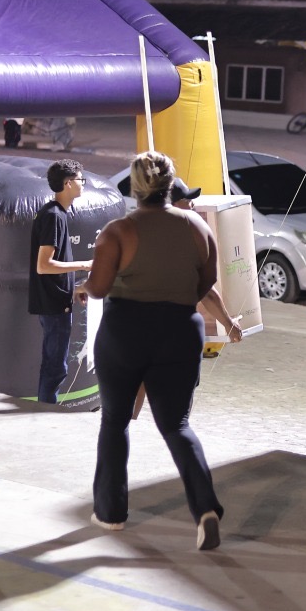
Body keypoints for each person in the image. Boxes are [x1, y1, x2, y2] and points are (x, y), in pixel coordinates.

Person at [82, 151, 227, 550]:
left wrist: (84, 287)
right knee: (177, 424)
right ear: (169, 184)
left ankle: (110, 512)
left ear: (134, 187)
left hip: (126, 330)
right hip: (180, 329)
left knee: (115, 421)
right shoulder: (198, 227)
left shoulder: (118, 231)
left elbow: (98, 288)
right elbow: (206, 282)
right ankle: (205, 509)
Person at [28, 159, 94, 404]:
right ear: (68, 184)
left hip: (57, 300)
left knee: (54, 364)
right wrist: (85, 265)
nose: (83, 183)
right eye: (80, 179)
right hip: (53, 304)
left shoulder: (55, 213)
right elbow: (44, 265)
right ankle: (46, 411)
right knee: (55, 367)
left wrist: (73, 289)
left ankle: (45, 408)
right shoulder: (54, 216)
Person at [171, 177, 247, 342]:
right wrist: (229, 324)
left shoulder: (145, 233)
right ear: (173, 206)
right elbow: (207, 293)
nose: (192, 204)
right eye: (187, 200)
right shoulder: (180, 242)